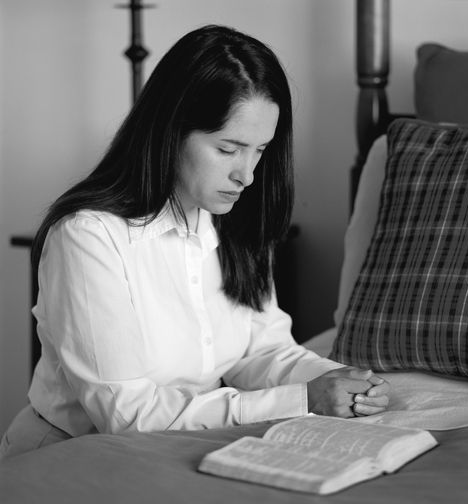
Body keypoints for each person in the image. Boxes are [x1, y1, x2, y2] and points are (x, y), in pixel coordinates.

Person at [0, 24, 389, 461]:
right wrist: (304, 400)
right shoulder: (87, 238)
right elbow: (127, 416)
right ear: (171, 131)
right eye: (228, 149)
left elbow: (259, 353)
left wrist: (342, 381)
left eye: (260, 150)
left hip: (176, 452)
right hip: (72, 456)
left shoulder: (232, 221)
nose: (248, 175)